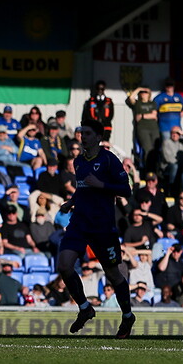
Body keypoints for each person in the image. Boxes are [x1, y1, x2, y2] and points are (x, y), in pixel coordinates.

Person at [56, 119, 136, 339]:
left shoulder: (109, 160)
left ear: (99, 137)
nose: (83, 137)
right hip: (79, 223)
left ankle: (127, 316)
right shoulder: (79, 161)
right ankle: (85, 308)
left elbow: (126, 190)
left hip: (102, 226)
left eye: (88, 133)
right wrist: (72, 202)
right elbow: (83, 189)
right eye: (82, 133)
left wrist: (102, 185)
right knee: (64, 265)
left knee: (113, 274)